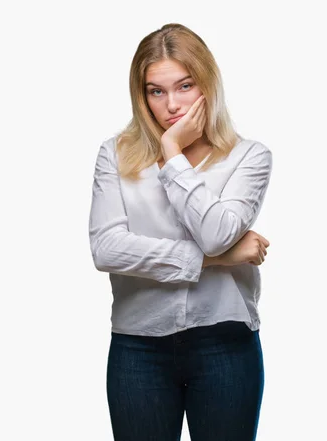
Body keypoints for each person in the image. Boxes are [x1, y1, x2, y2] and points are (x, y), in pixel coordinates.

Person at [89, 23, 273, 441]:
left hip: (225, 344)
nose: (172, 104)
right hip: (139, 347)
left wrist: (172, 152)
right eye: (156, 91)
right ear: (142, 95)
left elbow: (214, 233)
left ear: (207, 82)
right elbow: (106, 249)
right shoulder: (115, 155)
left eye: (185, 86)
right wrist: (217, 259)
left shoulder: (249, 157)